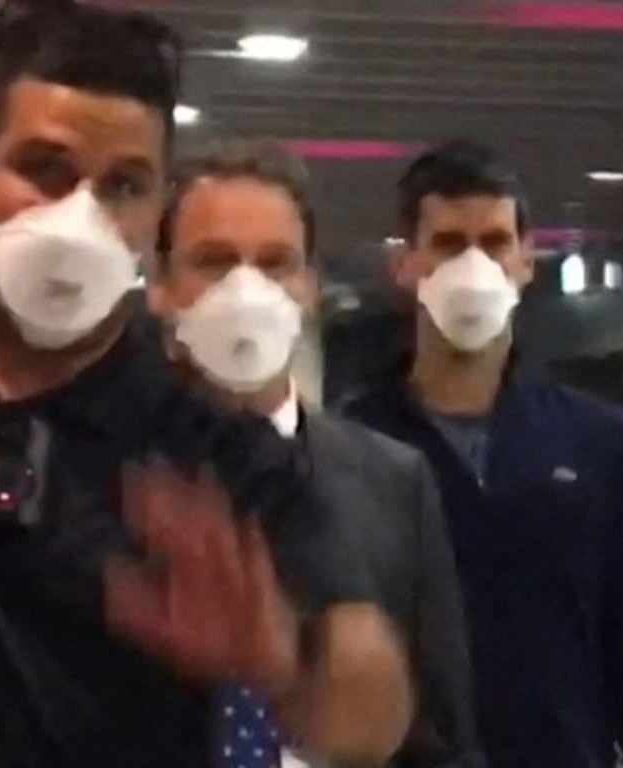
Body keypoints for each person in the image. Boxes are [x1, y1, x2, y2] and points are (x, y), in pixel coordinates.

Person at [0, 1, 409, 766]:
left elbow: (371, 713)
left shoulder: (214, 447)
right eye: (45, 171)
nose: (80, 218)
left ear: (157, 210)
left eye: (124, 186)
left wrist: (286, 669)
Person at [342, 139, 623, 768]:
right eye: (449, 243)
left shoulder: (600, 443)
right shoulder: (350, 447)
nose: (473, 266)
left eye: (495, 242)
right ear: (405, 263)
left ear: (528, 260)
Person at [148, 140, 481, 768]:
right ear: (161, 287)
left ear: (310, 288)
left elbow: (443, 738)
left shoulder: (392, 482)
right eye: (214, 263)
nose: (246, 291)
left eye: (275, 264)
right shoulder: (97, 474)